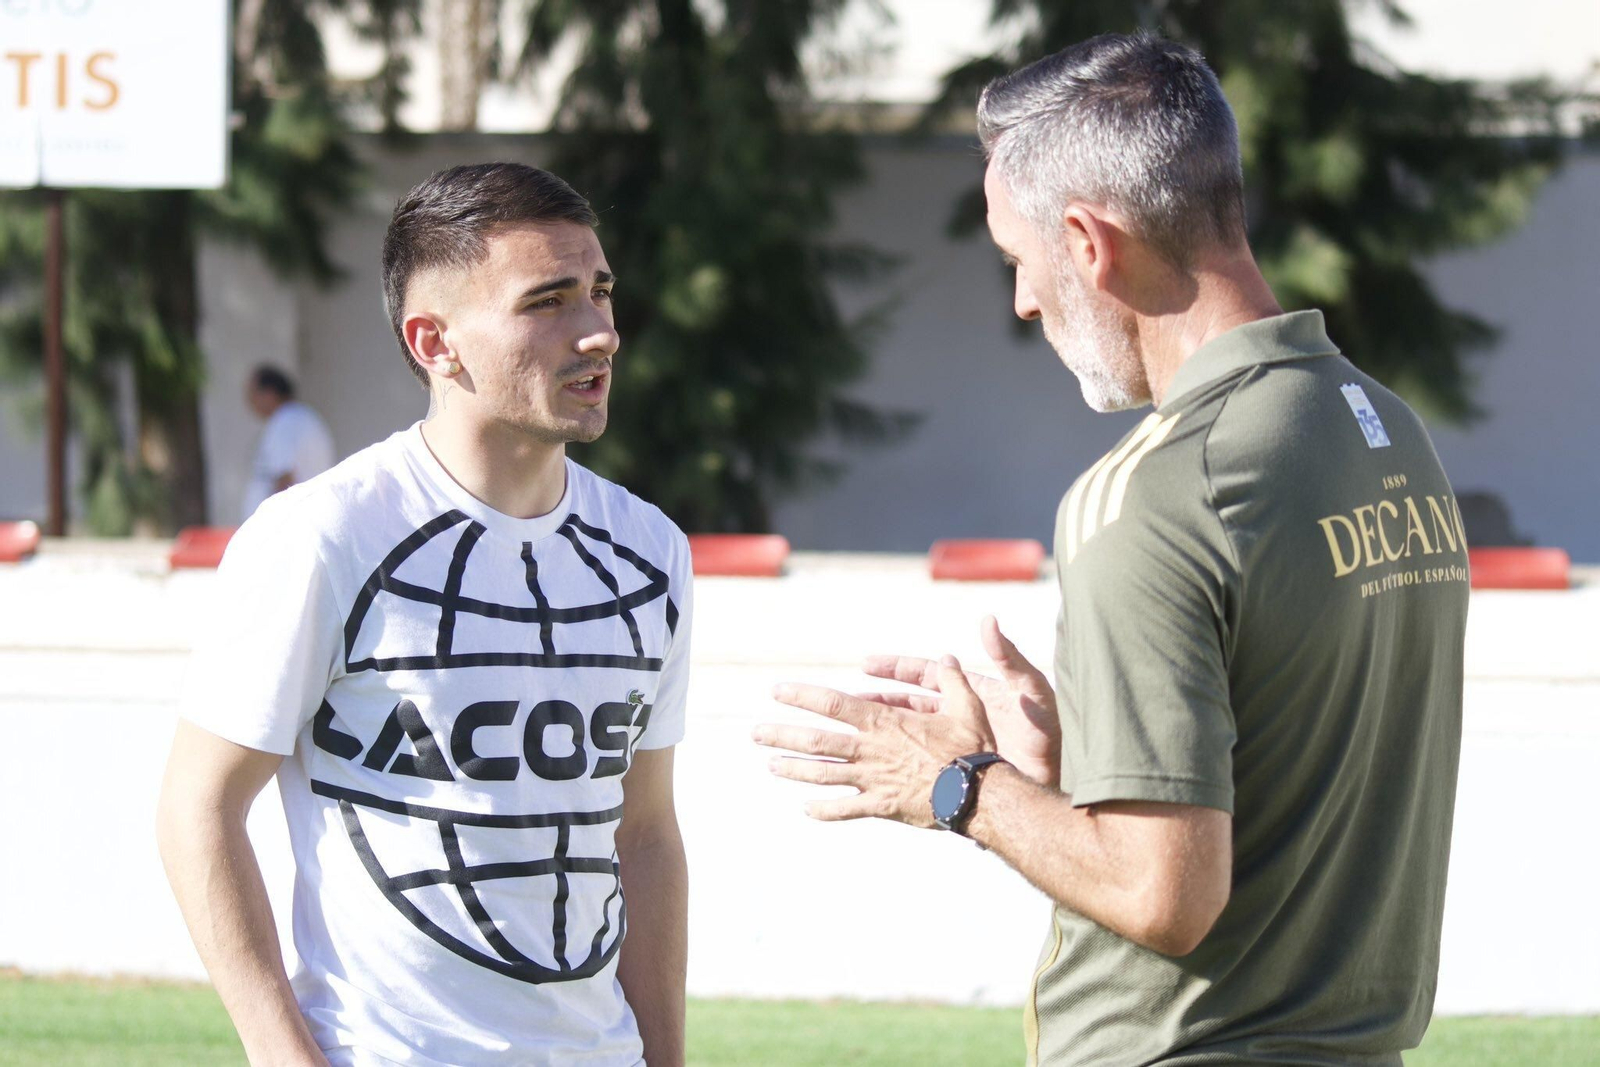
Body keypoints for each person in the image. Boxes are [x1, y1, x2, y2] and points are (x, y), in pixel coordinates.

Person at [756, 33, 1468, 1066]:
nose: (1023, 301)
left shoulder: (1156, 491)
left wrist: (957, 782)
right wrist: (1070, 768)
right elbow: (1283, 764)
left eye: (1019, 260)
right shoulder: (1381, 424)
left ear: (1088, 242)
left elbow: (1162, 893)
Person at [158, 163, 692, 1067]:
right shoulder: (322, 535)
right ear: (435, 341)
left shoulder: (650, 550)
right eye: (548, 301)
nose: (600, 331)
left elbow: (643, 832)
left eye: (600, 291)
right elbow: (197, 809)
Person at [241, 364, 337, 519]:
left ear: (270, 393)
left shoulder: (285, 421)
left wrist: (275, 525)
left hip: (288, 526)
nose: (249, 401)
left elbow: (284, 478)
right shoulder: (300, 417)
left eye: (252, 393)